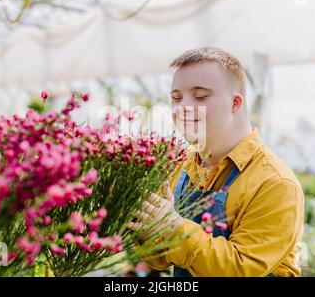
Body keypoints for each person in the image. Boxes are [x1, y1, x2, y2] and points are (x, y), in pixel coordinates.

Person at [128, 47, 305, 277]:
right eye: (176, 98)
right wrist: (142, 222)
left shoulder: (274, 182)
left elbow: (242, 269)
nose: (182, 108)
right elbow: (159, 259)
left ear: (236, 103)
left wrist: (172, 225)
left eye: (200, 96)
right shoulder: (181, 166)